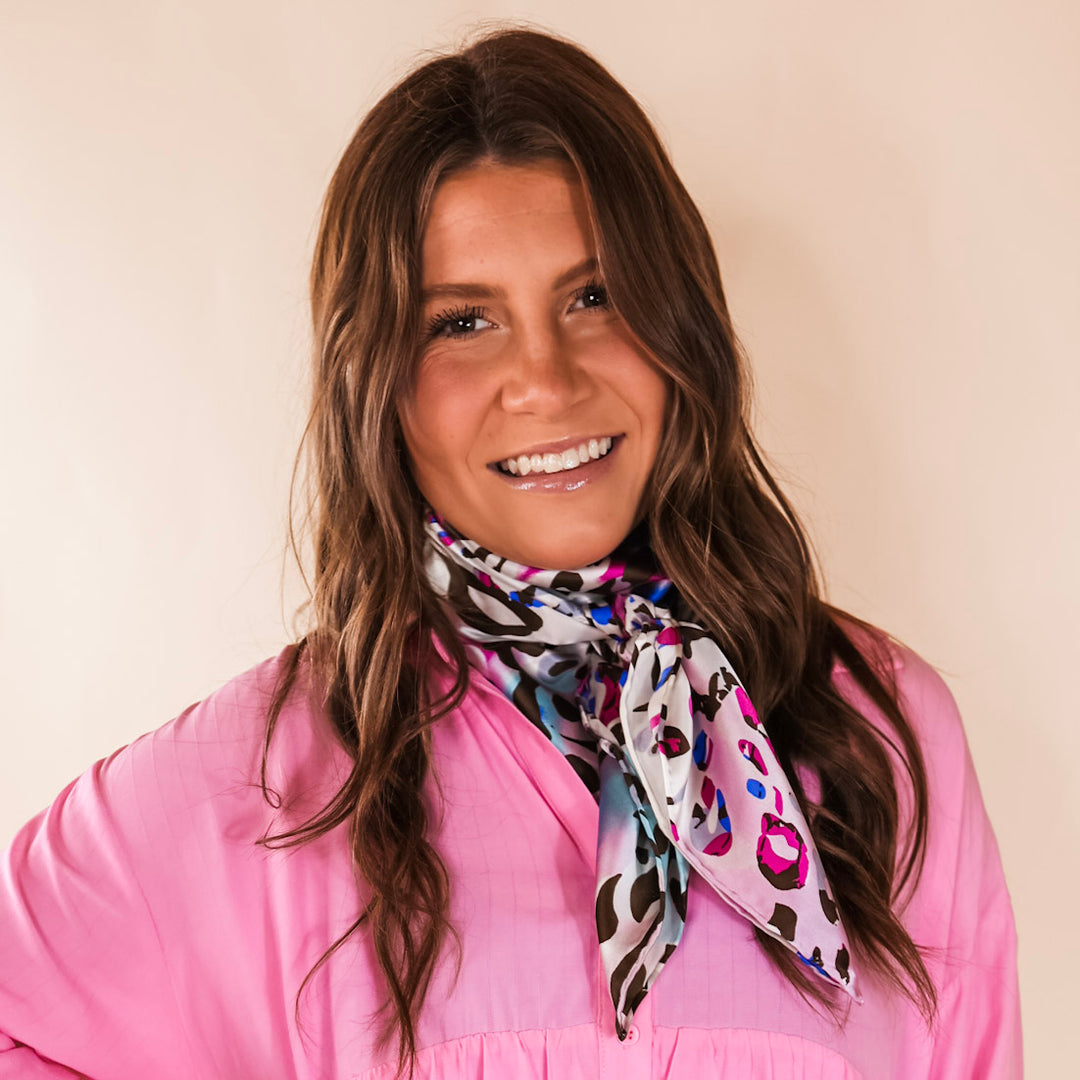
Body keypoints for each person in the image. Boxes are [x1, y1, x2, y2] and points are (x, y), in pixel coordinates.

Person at [0, 26, 1021, 1080]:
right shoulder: (258, 789)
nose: (545, 377)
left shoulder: (883, 742)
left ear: (681, 331)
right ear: (379, 385)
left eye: (594, 296)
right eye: (462, 323)